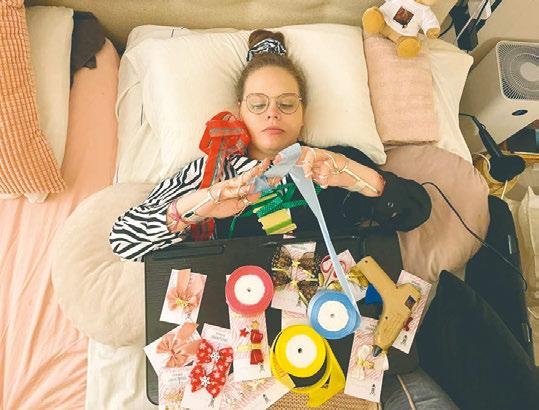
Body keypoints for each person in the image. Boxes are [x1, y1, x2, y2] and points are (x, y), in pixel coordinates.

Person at [109, 29, 456, 408]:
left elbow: (416, 211)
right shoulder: (208, 172)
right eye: (258, 104)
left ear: (303, 113)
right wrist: (204, 202)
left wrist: (353, 175)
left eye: (286, 104)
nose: (272, 113)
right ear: (240, 111)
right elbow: (124, 241)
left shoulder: (333, 161)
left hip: (346, 346)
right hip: (244, 365)